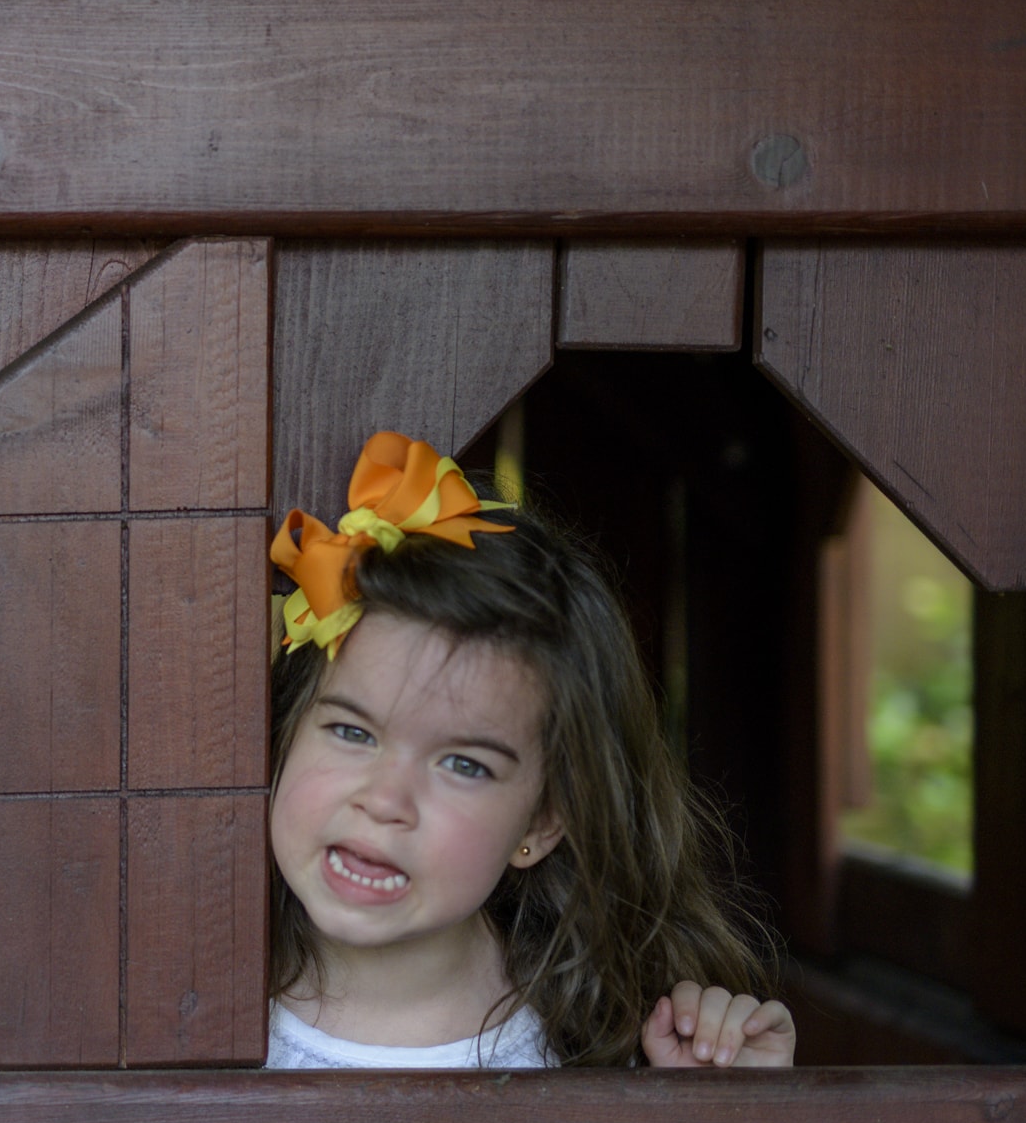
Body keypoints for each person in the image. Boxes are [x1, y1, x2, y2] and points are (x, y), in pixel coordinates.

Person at [265, 432, 793, 1071]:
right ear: (286, 730)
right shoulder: (167, 997)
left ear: (542, 824)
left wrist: (721, 1121)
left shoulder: (610, 1042)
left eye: (464, 765)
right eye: (353, 732)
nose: (384, 801)